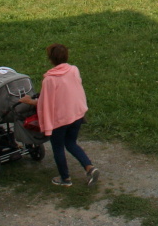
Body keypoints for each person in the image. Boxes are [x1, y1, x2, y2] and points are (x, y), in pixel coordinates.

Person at [19, 43, 100, 187]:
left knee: (58, 148)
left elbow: (44, 103)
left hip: (60, 120)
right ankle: (89, 167)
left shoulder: (49, 80)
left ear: (51, 59)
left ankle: (65, 178)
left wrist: (29, 101)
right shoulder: (74, 70)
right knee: (71, 143)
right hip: (76, 115)